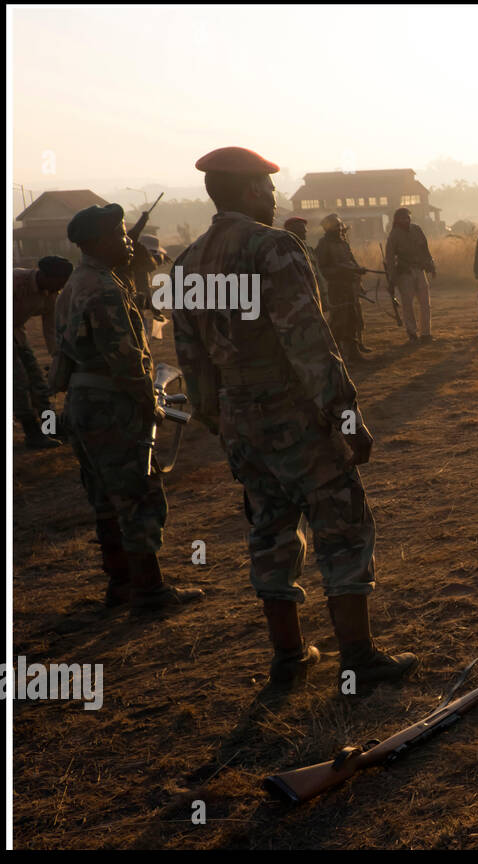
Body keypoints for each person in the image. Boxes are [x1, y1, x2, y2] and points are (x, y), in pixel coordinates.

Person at [172, 146, 417, 687]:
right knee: (342, 526)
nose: (274, 195)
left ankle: (288, 656)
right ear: (254, 190)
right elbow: (306, 337)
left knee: (268, 530)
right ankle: (357, 657)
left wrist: (219, 418)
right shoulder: (271, 247)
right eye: (269, 186)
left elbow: (190, 354)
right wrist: (345, 414)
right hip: (293, 412)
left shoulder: (188, 260)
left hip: (239, 416)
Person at [51, 204, 205, 613]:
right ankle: (150, 592)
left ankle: (120, 585)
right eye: (120, 234)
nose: (127, 241)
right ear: (99, 241)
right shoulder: (103, 288)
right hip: (113, 404)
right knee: (137, 494)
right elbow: (124, 359)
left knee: (104, 497)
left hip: (84, 403)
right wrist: (148, 402)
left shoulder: (75, 284)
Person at [13, 256, 73, 449]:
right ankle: (32, 434)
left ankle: (51, 428)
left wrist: (58, 357)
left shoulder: (51, 293)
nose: (61, 286)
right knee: (19, 384)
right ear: (46, 275)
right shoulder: (15, 281)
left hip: (17, 334)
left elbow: (50, 328)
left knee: (39, 383)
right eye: (60, 281)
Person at [316, 213, 369, 361]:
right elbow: (323, 269)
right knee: (339, 321)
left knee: (353, 319)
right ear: (329, 228)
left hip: (350, 286)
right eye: (336, 226)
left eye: (340, 225)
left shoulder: (343, 243)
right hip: (337, 288)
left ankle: (353, 353)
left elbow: (352, 261)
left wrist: (358, 270)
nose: (340, 228)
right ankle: (336, 355)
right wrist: (342, 271)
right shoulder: (324, 245)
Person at [385, 206, 436, 343]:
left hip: (420, 270)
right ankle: (412, 333)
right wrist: (392, 278)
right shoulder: (394, 235)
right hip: (404, 274)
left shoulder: (417, 229)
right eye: (402, 218)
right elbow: (389, 259)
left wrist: (431, 265)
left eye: (407, 217)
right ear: (397, 220)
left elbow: (425, 249)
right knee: (408, 305)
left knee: (425, 303)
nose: (406, 220)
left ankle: (426, 333)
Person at [283, 215, 329, 303]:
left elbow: (318, 273)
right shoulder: (284, 251)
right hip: (299, 300)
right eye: (301, 228)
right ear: (291, 231)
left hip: (315, 295)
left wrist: (324, 294)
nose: (305, 230)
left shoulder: (309, 250)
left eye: (305, 228)